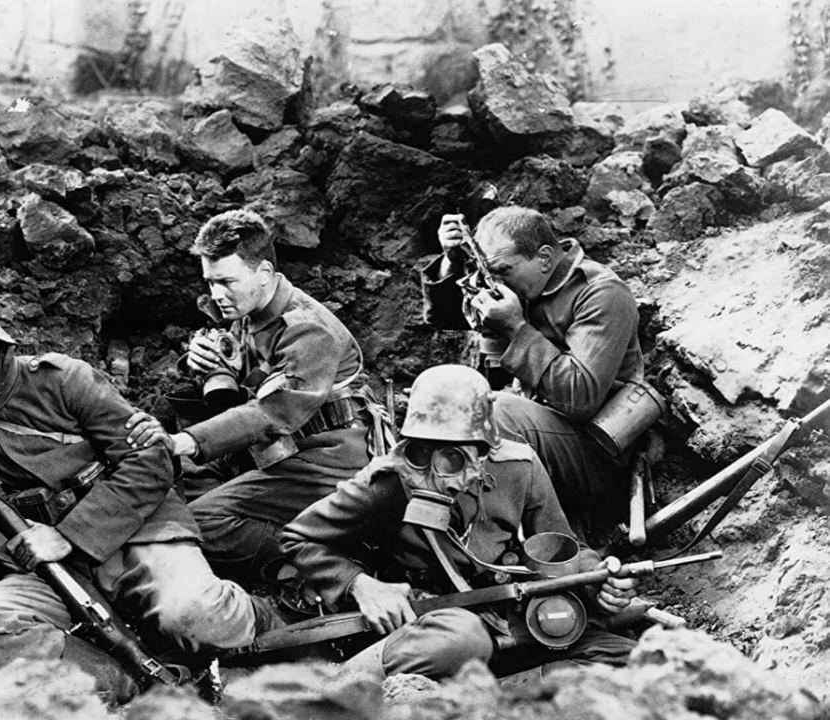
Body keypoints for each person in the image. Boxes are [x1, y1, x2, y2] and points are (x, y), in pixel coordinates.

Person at [0, 290, 282, 705]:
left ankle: (269, 616)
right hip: (54, 570)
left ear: (1, 351)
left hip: (139, 534)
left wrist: (69, 535)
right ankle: (131, 685)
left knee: (197, 616)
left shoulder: (63, 379)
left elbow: (151, 461)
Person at [280, 365, 638, 683]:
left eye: (455, 457)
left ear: (484, 450)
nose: (437, 474)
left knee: (627, 658)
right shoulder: (388, 482)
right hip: (432, 623)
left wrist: (597, 581)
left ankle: (499, 696)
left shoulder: (520, 468)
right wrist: (360, 586)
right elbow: (299, 537)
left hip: (506, 613)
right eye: (422, 452)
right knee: (462, 641)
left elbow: (561, 548)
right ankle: (340, 687)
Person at [129, 208, 385, 587]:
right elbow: (244, 381)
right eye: (210, 282)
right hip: (276, 449)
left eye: (227, 282)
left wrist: (188, 441)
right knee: (169, 480)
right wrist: (202, 361)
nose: (216, 295)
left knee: (199, 523)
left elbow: (274, 413)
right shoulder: (249, 309)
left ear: (264, 272)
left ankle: (313, 562)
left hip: (327, 460)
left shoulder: (308, 329)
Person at [420, 206, 646, 532]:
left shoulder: (602, 293)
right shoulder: (526, 281)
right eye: (489, 272)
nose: (496, 284)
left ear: (543, 258)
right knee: (443, 395)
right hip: (541, 435)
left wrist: (516, 327)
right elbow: (444, 319)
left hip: (596, 456)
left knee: (497, 410)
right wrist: (452, 261)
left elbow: (580, 399)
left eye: (503, 270)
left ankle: (554, 543)